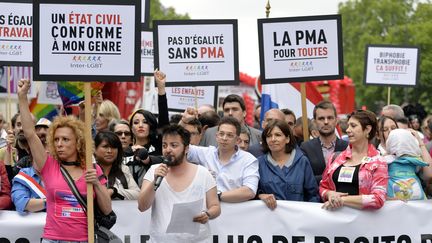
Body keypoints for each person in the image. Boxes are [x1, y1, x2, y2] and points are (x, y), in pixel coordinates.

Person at [17, 79, 112, 242]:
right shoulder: (48, 165)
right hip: (52, 239)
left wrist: (96, 183)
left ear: (78, 142)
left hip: (84, 239)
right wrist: (22, 97)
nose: (59, 144)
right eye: (56, 139)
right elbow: (30, 134)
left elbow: (107, 209)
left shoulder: (92, 168)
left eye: (66, 139)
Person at [138, 124, 221, 242]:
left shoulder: (203, 173)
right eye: (164, 145)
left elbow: (215, 206)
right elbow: (142, 206)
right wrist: (155, 181)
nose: (168, 150)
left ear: (186, 148)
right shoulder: (154, 171)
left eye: (174, 145)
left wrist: (207, 214)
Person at [320, 110, 388, 210]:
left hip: (361, 222)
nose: (347, 130)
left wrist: (342, 200)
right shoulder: (335, 158)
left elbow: (378, 199)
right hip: (334, 221)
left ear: (368, 129)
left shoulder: (378, 161)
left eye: (353, 126)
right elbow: (322, 187)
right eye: (348, 126)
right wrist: (329, 194)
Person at [188, 116, 259, 203]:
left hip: (234, 214)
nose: (224, 138)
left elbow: (250, 191)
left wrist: (217, 196)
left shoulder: (249, 160)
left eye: (229, 135)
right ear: (216, 136)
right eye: (221, 134)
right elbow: (181, 147)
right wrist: (183, 122)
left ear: (237, 140)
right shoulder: (206, 153)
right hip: (206, 213)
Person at [257, 120, 319, 210]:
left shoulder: (302, 161)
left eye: (278, 135)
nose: (273, 139)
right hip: (269, 218)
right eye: (269, 136)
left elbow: (312, 195)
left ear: (287, 139)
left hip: (298, 220)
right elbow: (251, 193)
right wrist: (260, 196)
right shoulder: (259, 163)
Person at [301, 101, 349, 185]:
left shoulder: (347, 147)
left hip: (341, 196)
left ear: (336, 120)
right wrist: (333, 177)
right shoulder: (306, 147)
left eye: (330, 118)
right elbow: (305, 178)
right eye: (321, 118)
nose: (326, 122)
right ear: (315, 121)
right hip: (314, 196)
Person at [385, 128, 432, 200]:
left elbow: (429, 174)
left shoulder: (385, 160)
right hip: (400, 204)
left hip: (409, 205)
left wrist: (421, 143)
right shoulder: (384, 161)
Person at [94, 131, 140, 200]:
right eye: (105, 147)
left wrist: (114, 191)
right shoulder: (89, 170)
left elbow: (138, 194)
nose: (109, 151)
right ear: (95, 149)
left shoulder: (123, 169)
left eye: (113, 147)